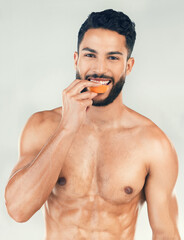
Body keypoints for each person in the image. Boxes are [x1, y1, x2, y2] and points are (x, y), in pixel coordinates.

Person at [5, 9, 181, 240]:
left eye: (113, 57)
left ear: (128, 66)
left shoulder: (153, 143)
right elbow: (18, 210)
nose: (99, 69)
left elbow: (165, 232)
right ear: (76, 59)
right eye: (90, 55)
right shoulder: (43, 126)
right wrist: (67, 127)